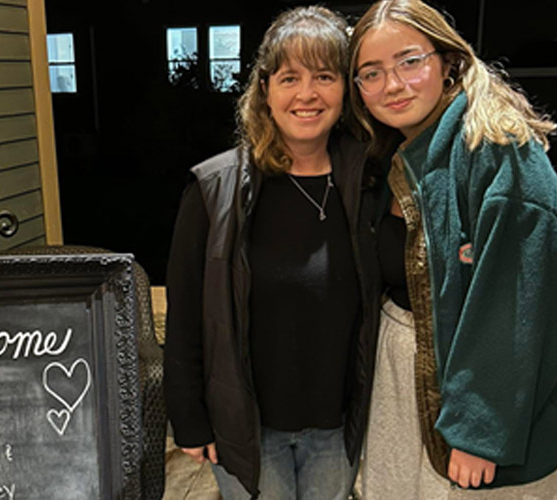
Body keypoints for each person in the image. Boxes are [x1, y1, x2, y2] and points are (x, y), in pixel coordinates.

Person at [163, 6, 381, 500]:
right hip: (247, 429)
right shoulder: (213, 191)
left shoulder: (367, 184)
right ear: (265, 89)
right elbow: (187, 317)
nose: (307, 94)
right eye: (289, 78)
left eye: (324, 76)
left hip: (336, 427)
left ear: (345, 90)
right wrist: (189, 420)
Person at [347, 0, 557, 498]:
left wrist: (479, 430)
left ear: (448, 62)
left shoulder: (498, 149)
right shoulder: (397, 151)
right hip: (404, 382)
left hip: (477, 405)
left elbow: (515, 304)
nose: (392, 84)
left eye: (410, 61)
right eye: (371, 73)